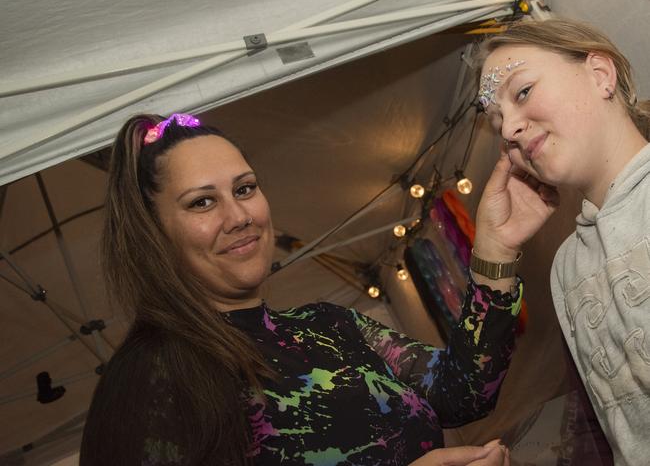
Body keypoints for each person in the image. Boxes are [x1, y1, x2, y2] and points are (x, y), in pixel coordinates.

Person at [79, 111, 556, 465]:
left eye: (244, 189)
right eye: (202, 202)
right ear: (153, 233)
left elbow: (463, 392)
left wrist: (494, 252)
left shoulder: (328, 324)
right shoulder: (149, 377)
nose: (239, 216)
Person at [476, 18, 650, 466]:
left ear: (600, 74)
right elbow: (606, 427)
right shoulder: (566, 266)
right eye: (497, 120)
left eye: (523, 92)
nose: (509, 128)